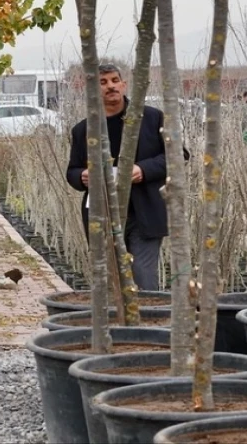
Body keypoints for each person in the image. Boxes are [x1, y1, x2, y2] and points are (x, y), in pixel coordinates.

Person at [65, 63, 174, 292]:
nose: (110, 87)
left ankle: (149, 323)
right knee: (108, 279)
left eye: (115, 80)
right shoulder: (83, 130)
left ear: (124, 85)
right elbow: (72, 171)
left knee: (143, 277)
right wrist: (82, 176)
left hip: (144, 211)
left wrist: (143, 170)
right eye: (103, 83)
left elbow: (177, 155)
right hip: (102, 213)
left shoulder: (152, 118)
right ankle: (115, 325)